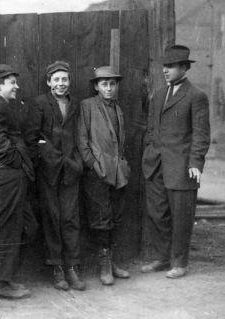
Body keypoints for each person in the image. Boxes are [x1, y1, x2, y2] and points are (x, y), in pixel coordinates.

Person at [141, 44, 211, 279]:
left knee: (181, 217)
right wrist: (150, 149)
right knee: (157, 214)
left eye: (170, 66)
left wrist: (195, 163)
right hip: (156, 164)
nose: (165, 70)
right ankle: (161, 257)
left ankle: (179, 263)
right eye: (164, 66)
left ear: (184, 68)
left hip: (181, 168)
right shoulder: (159, 95)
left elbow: (201, 135)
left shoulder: (196, 96)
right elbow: (151, 128)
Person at [28, 61, 85, 291]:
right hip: (49, 172)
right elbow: (33, 137)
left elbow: (80, 134)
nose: (61, 84)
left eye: (65, 79)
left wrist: (77, 163)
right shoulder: (40, 104)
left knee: (70, 218)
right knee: (52, 218)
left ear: (69, 82)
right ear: (49, 82)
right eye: (57, 79)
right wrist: (48, 153)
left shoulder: (76, 105)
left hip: (71, 169)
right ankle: (57, 268)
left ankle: (72, 266)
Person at [0, 64, 34, 300]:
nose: (17, 86)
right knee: (10, 226)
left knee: (25, 225)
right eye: (12, 82)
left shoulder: (2, 105)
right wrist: (19, 162)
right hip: (7, 173)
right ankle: (1, 283)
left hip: (10, 172)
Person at [77, 66, 131, 286]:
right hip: (98, 172)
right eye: (104, 84)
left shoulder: (117, 108)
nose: (109, 88)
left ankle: (114, 262)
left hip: (118, 172)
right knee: (102, 218)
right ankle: (104, 265)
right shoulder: (87, 106)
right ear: (96, 86)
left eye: (112, 84)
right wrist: (92, 164)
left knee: (116, 216)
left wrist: (123, 165)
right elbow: (82, 139)